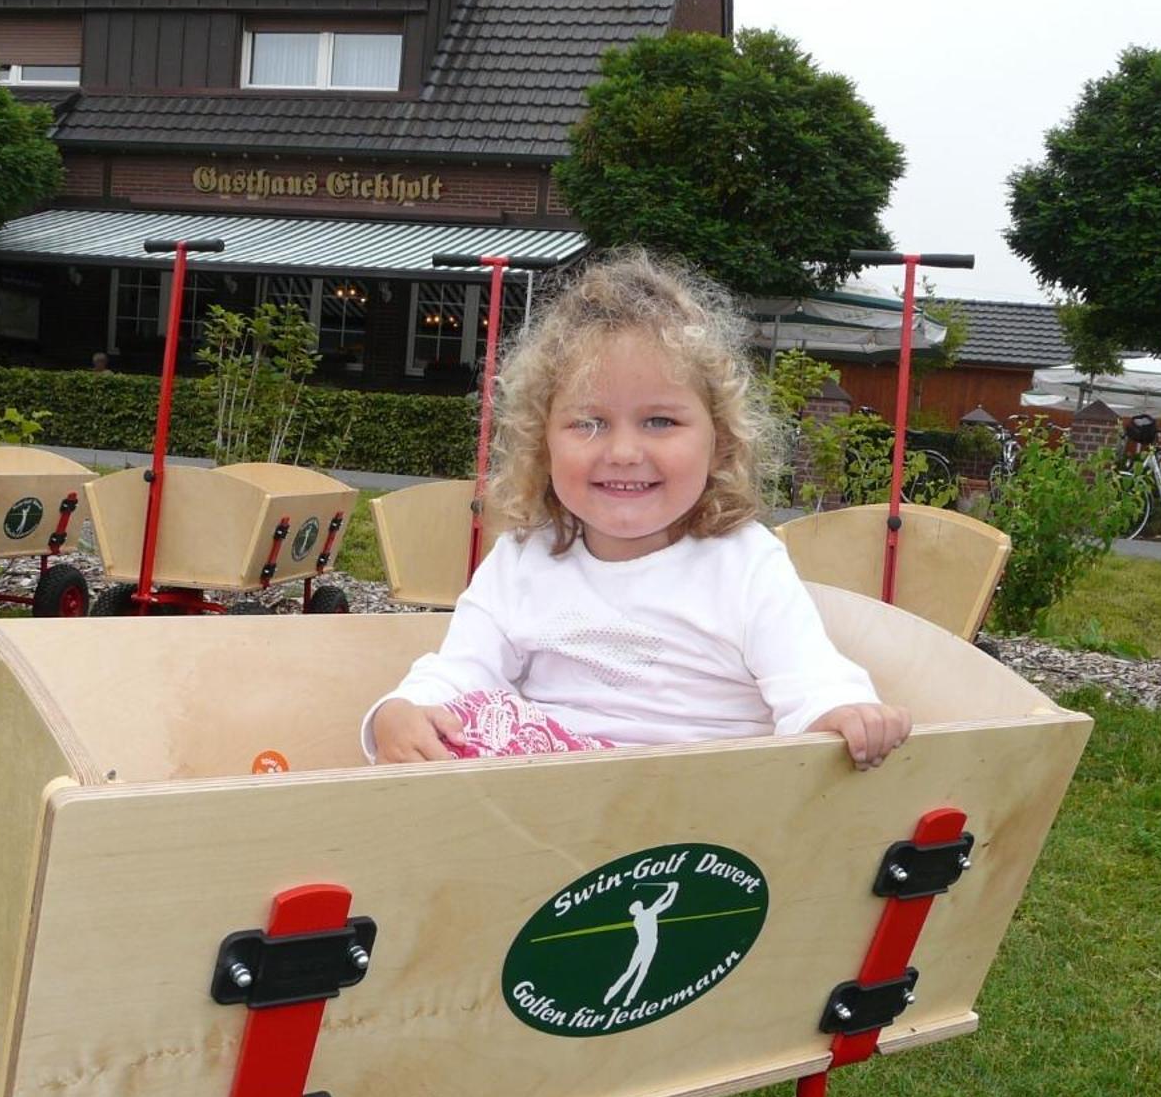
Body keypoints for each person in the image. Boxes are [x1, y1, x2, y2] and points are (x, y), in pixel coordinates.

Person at [364, 248, 911, 769]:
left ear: (718, 441)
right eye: (589, 423)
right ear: (542, 443)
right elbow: (462, 671)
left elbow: (809, 678)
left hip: (697, 811)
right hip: (547, 810)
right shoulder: (522, 560)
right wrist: (402, 711)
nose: (624, 453)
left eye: (659, 422)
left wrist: (840, 712)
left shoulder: (743, 563)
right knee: (470, 725)